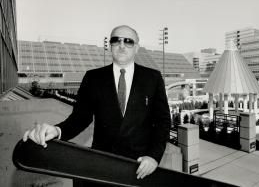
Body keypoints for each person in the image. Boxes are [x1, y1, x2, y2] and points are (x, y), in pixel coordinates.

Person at [23, 25, 171, 185]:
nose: (122, 45)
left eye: (128, 41)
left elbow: (163, 122)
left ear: (136, 48)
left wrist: (153, 156)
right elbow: (80, 118)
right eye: (116, 40)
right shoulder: (93, 77)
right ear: (109, 46)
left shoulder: (153, 78)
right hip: (102, 166)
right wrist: (57, 130)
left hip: (139, 167)